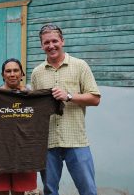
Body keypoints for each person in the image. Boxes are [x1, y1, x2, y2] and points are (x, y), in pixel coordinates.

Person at [31, 24, 101, 195]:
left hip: (76, 139)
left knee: (88, 190)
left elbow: (95, 98)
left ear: (62, 41)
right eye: (46, 42)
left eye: (55, 41)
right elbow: (35, 107)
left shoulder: (80, 66)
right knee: (49, 190)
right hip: (47, 141)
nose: (51, 45)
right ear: (41, 45)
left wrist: (68, 96)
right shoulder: (37, 73)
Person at [0, 58, 37, 195]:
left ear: (22, 73)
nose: (12, 74)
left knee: (19, 192)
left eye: (16, 70)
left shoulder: (30, 95)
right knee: (0, 192)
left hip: (23, 152)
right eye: (8, 71)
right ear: (2, 75)